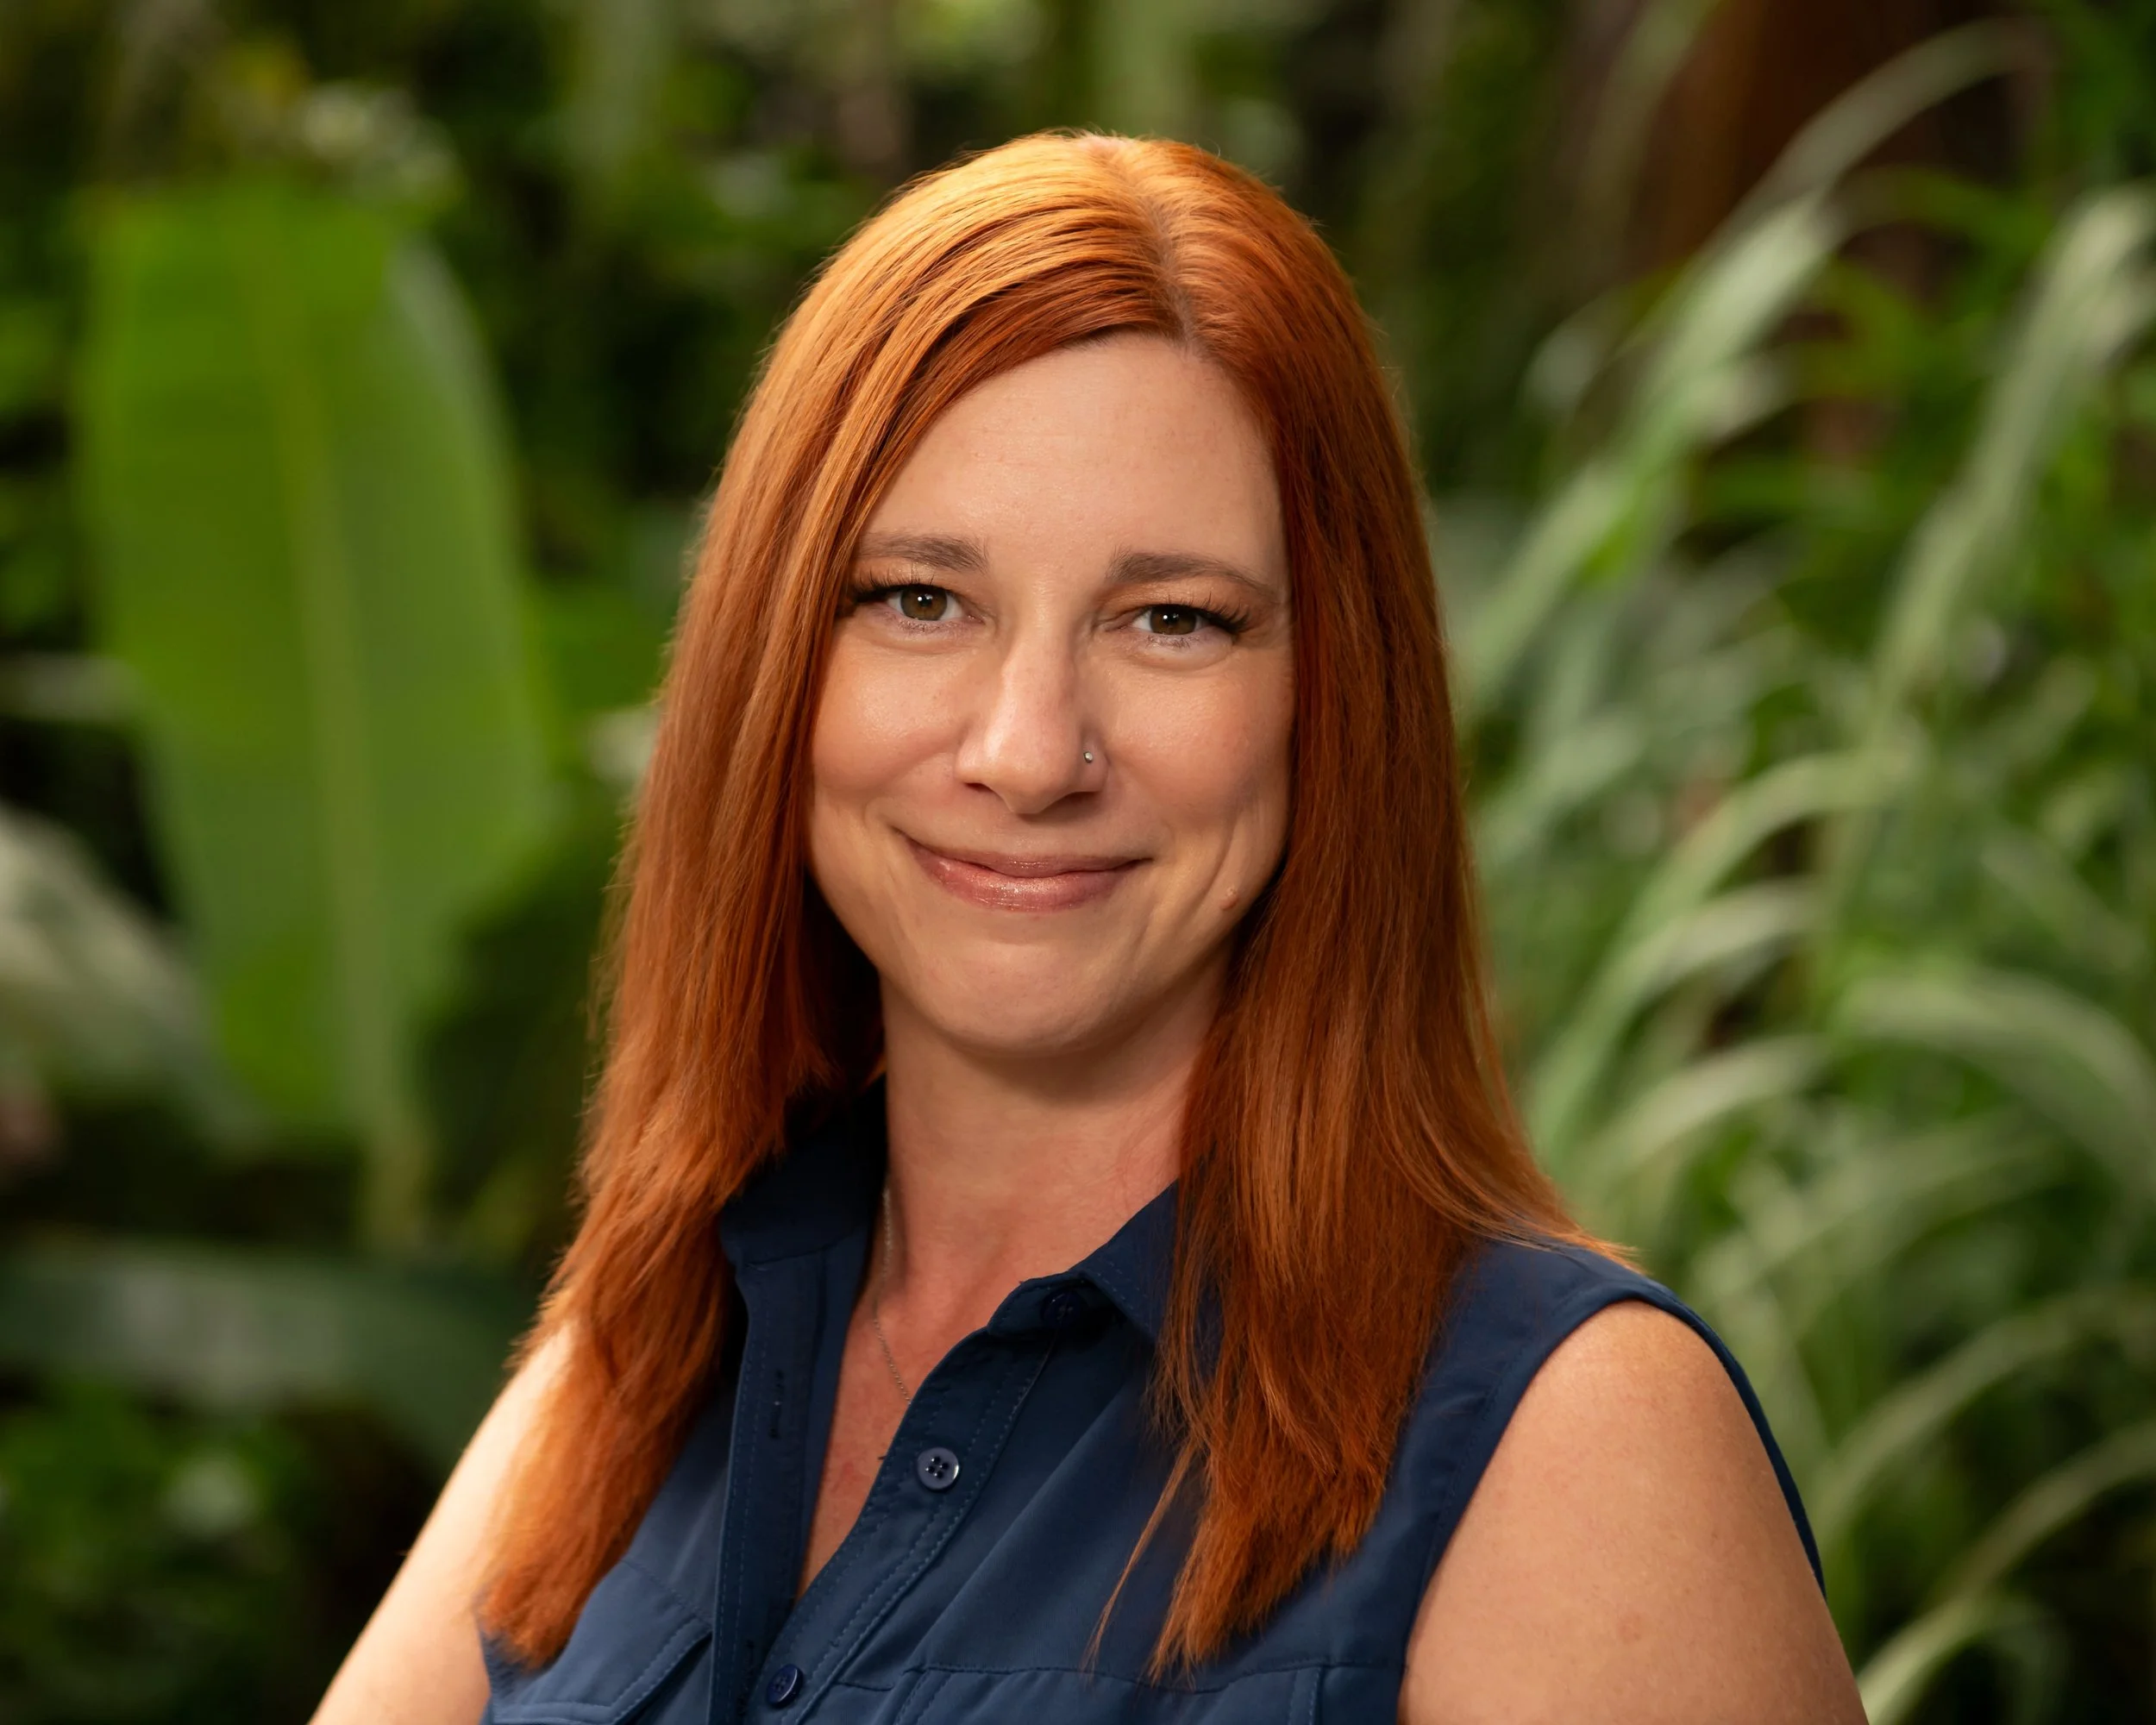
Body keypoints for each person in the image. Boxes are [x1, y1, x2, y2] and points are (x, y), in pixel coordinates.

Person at [313, 133, 1865, 1725]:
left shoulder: (1570, 1442)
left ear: (1334, 700)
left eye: (1172, 620)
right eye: (920, 598)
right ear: (772, 663)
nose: (1028, 750)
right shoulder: (626, 1382)